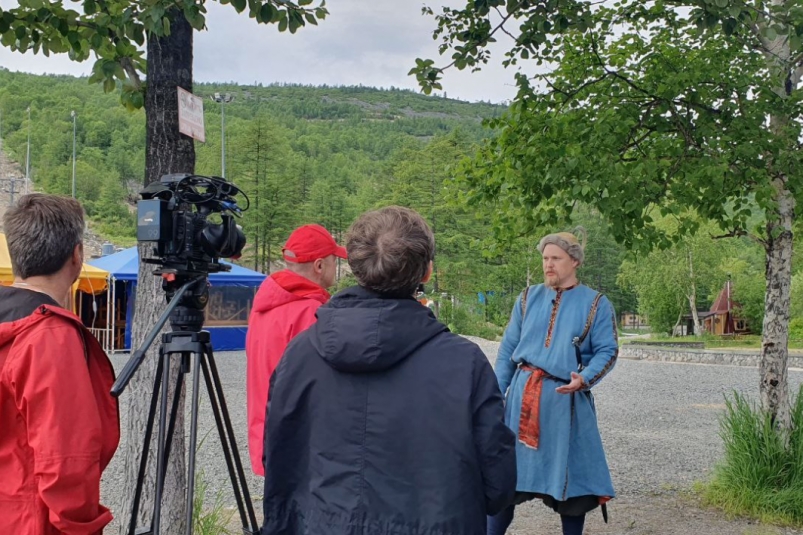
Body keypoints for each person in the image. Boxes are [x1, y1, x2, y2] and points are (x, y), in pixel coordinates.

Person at [261, 206, 517, 535]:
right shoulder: (464, 363)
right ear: (426, 272)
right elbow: (498, 483)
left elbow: (278, 459)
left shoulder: (299, 355)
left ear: (354, 267)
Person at [0, 194, 120, 534]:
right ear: (77, 255)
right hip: (33, 519)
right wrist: (83, 526)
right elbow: (67, 461)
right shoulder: (50, 335)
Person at [487, 229, 618, 535]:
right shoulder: (527, 298)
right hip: (522, 399)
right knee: (504, 480)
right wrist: (495, 394)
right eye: (545, 258)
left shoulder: (596, 303)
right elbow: (508, 349)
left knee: (573, 486)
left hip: (565, 403)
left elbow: (607, 350)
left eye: (555, 258)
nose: (548, 265)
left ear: (574, 261)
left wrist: (584, 378)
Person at [245, 223, 347, 476]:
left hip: (267, 436)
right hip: (301, 445)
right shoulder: (309, 311)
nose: (338, 267)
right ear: (320, 266)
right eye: (335, 260)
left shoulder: (264, 306)